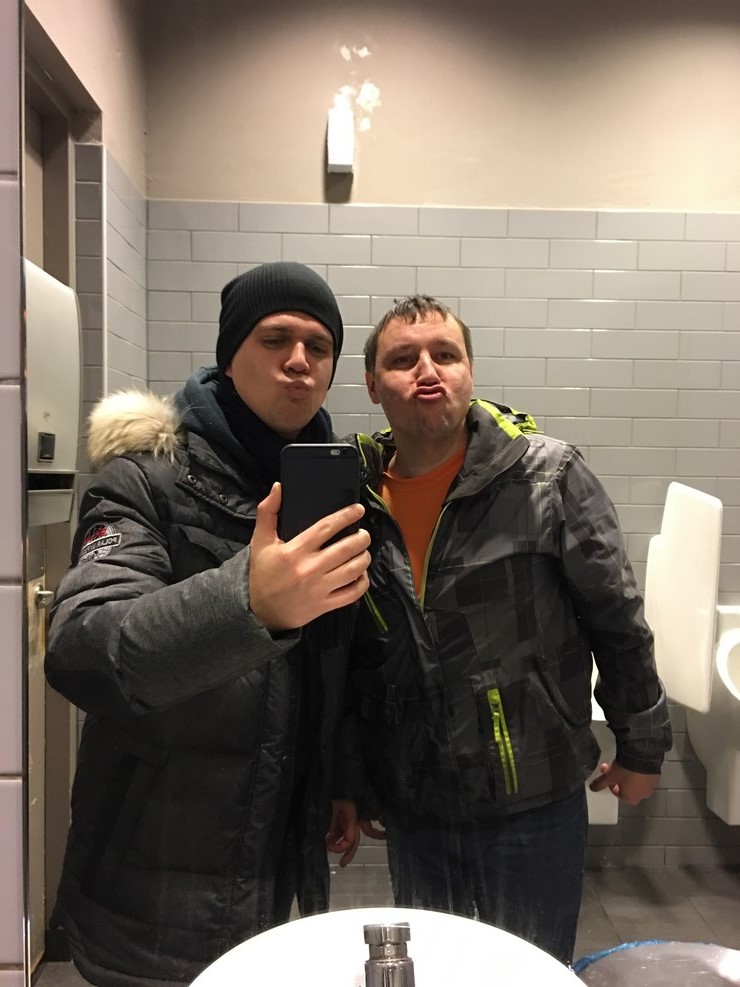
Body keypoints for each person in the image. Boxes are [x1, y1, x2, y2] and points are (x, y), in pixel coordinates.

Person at [44, 262, 371, 987]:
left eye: (318, 346)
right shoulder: (143, 480)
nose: (299, 360)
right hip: (149, 883)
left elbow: (334, 658)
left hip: (269, 874)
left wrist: (338, 780)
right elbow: (82, 645)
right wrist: (247, 603)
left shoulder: (326, 490)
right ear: (229, 355)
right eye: (275, 339)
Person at [337, 295, 672, 965]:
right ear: (373, 385)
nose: (427, 370)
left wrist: (642, 746)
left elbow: (616, 617)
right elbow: (351, 656)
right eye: (403, 359)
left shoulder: (547, 476)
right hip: (416, 805)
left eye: (445, 354)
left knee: (528, 969)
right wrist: (355, 777)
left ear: (470, 372)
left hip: (532, 799)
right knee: (434, 971)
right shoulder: (355, 497)